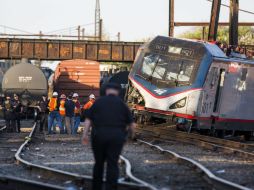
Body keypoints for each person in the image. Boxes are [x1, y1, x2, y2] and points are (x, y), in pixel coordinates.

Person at [82, 83, 136, 190]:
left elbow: (88, 120)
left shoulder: (98, 102)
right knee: (112, 163)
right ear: (117, 92)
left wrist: (85, 135)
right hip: (116, 137)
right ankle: (111, 187)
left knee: (99, 163)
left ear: (106, 91)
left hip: (99, 136)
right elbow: (132, 124)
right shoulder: (122, 104)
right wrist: (131, 136)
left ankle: (96, 187)